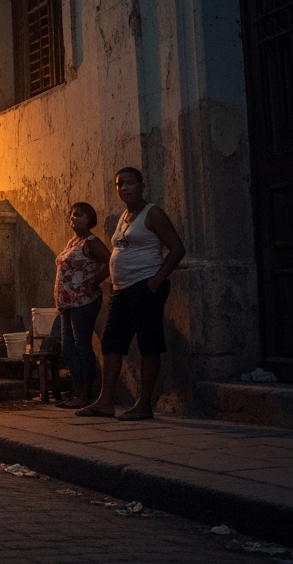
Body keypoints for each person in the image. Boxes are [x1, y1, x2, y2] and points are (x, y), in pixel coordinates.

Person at [77, 167, 186, 421]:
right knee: (111, 342)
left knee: (149, 344)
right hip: (122, 290)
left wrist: (156, 280)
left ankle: (144, 404)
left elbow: (178, 248)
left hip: (145, 286)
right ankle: (105, 402)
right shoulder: (125, 216)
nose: (124, 188)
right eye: (119, 184)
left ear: (141, 186)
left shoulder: (153, 213)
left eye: (129, 183)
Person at [54, 202, 109, 408]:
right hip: (67, 304)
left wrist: (94, 280)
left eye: (78, 215)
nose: (73, 219)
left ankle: (86, 394)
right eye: (72, 215)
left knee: (81, 346)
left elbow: (110, 261)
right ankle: (78, 391)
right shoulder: (72, 242)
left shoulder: (91, 242)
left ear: (89, 219)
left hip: (84, 301)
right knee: (68, 348)